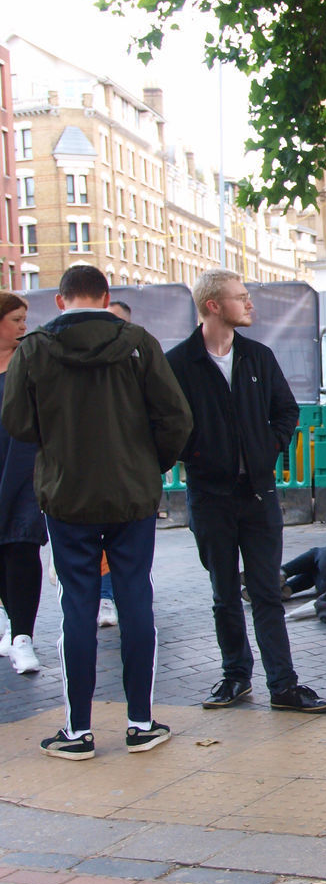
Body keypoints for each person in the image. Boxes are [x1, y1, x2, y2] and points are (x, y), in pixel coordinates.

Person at [1, 265, 192, 759]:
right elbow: (175, 416)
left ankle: (77, 731)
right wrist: (151, 465)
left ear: (61, 301)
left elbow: (17, 422)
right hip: (131, 494)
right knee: (135, 601)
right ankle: (141, 723)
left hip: (67, 497)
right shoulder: (138, 343)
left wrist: (57, 447)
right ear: (106, 297)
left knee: (77, 608)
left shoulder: (35, 349)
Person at [166, 268, 326, 713]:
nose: (250, 304)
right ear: (214, 306)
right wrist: (197, 454)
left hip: (259, 493)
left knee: (266, 591)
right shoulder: (179, 363)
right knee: (224, 593)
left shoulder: (257, 356)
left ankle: (283, 685)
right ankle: (235, 676)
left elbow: (286, 410)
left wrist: (267, 448)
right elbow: (164, 423)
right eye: (241, 297)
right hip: (209, 496)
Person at [0, 293, 46, 674]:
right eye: (15, 319)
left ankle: (22, 637)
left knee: (22, 544)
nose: (22, 326)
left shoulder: (30, 362)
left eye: (24, 318)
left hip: (26, 468)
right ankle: (10, 628)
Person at [93, 301, 133, 630]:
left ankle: (117, 593)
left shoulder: (138, 359)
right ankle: (106, 595)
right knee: (101, 536)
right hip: (92, 470)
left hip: (129, 471)